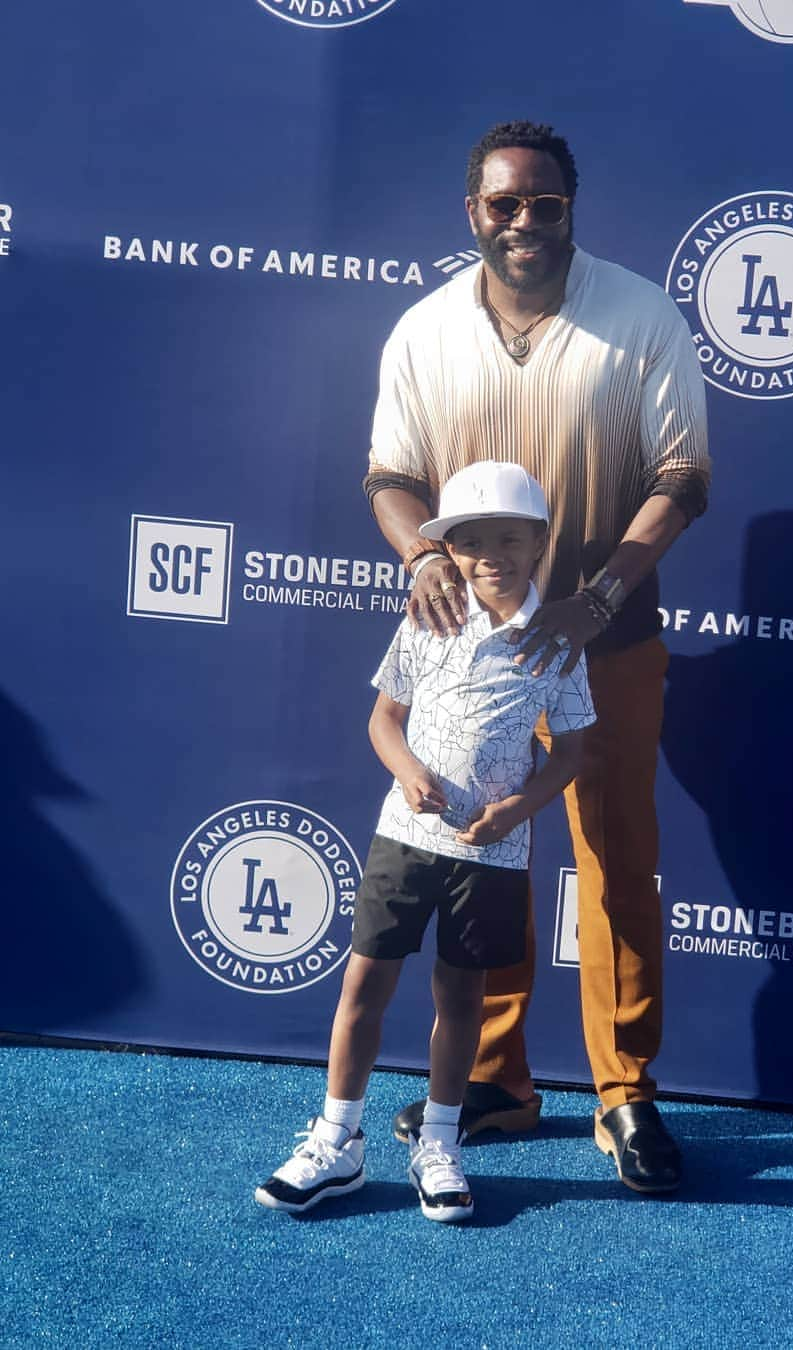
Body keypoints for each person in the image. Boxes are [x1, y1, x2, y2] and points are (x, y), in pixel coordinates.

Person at [364, 121, 710, 1194]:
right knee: (480, 859)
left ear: (572, 207)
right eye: (503, 204)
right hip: (473, 664)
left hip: (607, 637)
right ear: (472, 212)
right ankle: (498, 1084)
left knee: (616, 863)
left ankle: (626, 1093)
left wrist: (600, 593)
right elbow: (391, 477)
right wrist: (422, 548)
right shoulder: (423, 331)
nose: (524, 222)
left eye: (543, 204)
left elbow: (683, 479)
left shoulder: (642, 315)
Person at [254, 461, 595, 1222]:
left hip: (492, 855)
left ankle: (439, 1141)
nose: (490, 556)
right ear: (451, 550)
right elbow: (383, 721)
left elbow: (572, 757)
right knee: (363, 987)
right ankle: (336, 1138)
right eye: (472, 542)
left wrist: (515, 812)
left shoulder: (559, 642)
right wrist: (407, 771)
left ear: (540, 542)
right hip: (401, 839)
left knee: (462, 996)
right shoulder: (426, 614)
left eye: (509, 538)